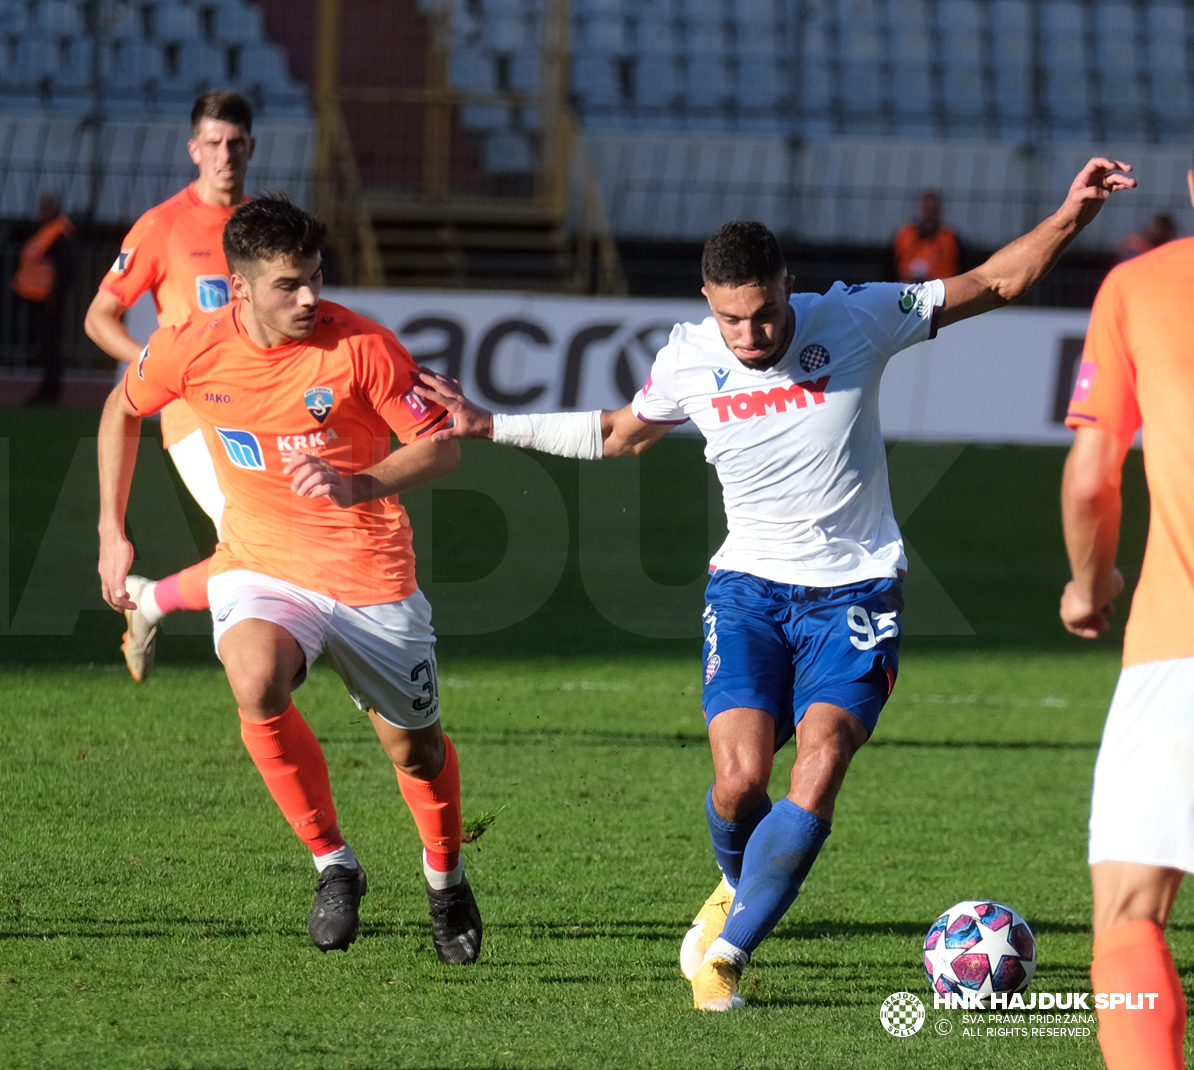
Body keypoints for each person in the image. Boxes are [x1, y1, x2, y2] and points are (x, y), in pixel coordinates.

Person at [415, 159, 1135, 1008]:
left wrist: (1071, 215)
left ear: (789, 289)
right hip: (748, 590)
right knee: (737, 784)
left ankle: (726, 956)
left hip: (857, 591)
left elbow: (991, 282)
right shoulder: (687, 359)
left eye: (761, 316)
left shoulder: (860, 316)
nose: (750, 337)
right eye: (731, 320)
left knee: (822, 758)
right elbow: (618, 434)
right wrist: (489, 424)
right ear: (708, 305)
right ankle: (739, 883)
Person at [95, 195, 483, 963]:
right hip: (260, 562)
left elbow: (441, 448)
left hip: (371, 574)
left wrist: (359, 484)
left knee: (417, 754)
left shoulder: (363, 347)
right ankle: (334, 865)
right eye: (287, 285)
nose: (309, 297)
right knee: (254, 677)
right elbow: (121, 406)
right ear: (240, 288)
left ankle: (446, 879)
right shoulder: (189, 347)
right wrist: (110, 529)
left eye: (314, 278)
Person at [1061, 184, 1194, 1070]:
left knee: (1129, 915)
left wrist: (1087, 585)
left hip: (1180, 642)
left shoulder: (1144, 287)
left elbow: (1090, 481)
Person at [84, 89, 255, 680]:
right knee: (253, 540)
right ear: (194, 149)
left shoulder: (261, 227)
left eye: (235, 142)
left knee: (271, 543)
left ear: (251, 147)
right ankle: (264, 679)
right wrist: (156, 364)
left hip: (259, 411)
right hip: (191, 413)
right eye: (213, 142)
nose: (224, 154)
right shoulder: (164, 225)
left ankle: (152, 602)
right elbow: (99, 316)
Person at [12, 190, 78, 405]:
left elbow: (66, 268)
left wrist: (56, 297)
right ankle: (47, 390)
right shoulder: (49, 231)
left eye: (45, 207)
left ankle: (50, 392)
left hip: (49, 301)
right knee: (46, 347)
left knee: (51, 347)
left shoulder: (59, 233)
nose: (40, 211)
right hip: (40, 299)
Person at [894, 190, 960, 283]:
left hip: (942, 291)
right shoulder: (904, 235)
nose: (929, 216)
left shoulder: (951, 238)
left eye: (933, 211)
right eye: (926, 210)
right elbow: (890, 266)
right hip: (906, 290)